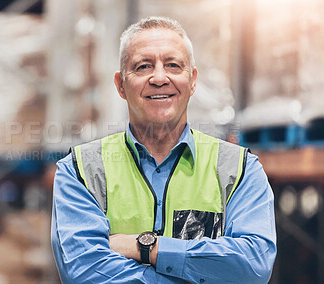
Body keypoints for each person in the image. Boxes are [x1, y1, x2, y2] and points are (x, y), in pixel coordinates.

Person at [51, 16, 276, 284]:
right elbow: (84, 272)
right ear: (120, 84)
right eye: (143, 66)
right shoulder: (80, 170)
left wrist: (146, 248)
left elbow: (253, 266)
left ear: (192, 80)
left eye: (173, 65)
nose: (159, 77)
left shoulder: (240, 169)